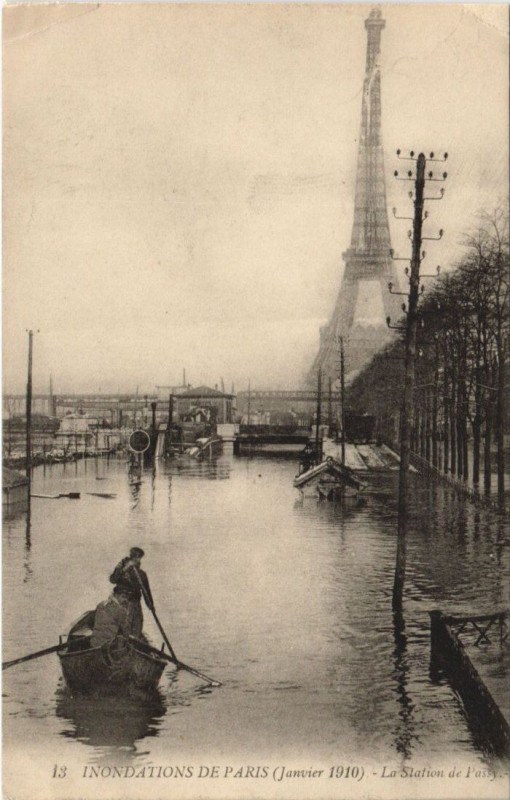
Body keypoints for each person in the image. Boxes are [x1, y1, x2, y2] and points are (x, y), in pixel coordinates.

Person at [109, 547, 155, 638]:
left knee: (137, 624)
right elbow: (113, 579)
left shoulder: (141, 574)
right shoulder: (122, 569)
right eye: (136, 558)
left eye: (139, 558)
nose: (138, 561)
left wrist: (151, 606)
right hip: (121, 600)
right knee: (124, 625)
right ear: (132, 558)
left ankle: (134, 644)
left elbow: (147, 592)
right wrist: (124, 569)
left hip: (135, 602)